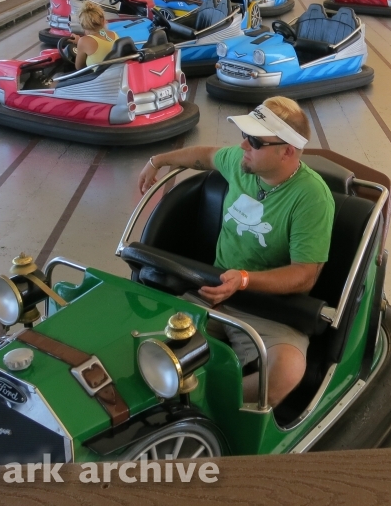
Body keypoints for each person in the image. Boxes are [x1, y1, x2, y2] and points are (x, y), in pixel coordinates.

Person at [136, 97, 335, 407]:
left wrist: (243, 280)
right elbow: (204, 156)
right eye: (244, 136)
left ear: (287, 151)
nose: (243, 146)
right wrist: (158, 160)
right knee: (140, 332)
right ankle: (175, 393)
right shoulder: (243, 165)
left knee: (286, 369)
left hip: (271, 308)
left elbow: (304, 276)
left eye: (254, 141)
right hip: (212, 290)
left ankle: (209, 404)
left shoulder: (312, 198)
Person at [69, 1, 117, 69]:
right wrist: (80, 42)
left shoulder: (83, 42)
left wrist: (80, 44)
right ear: (103, 20)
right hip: (115, 72)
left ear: (82, 25)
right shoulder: (113, 34)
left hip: (100, 78)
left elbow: (79, 68)